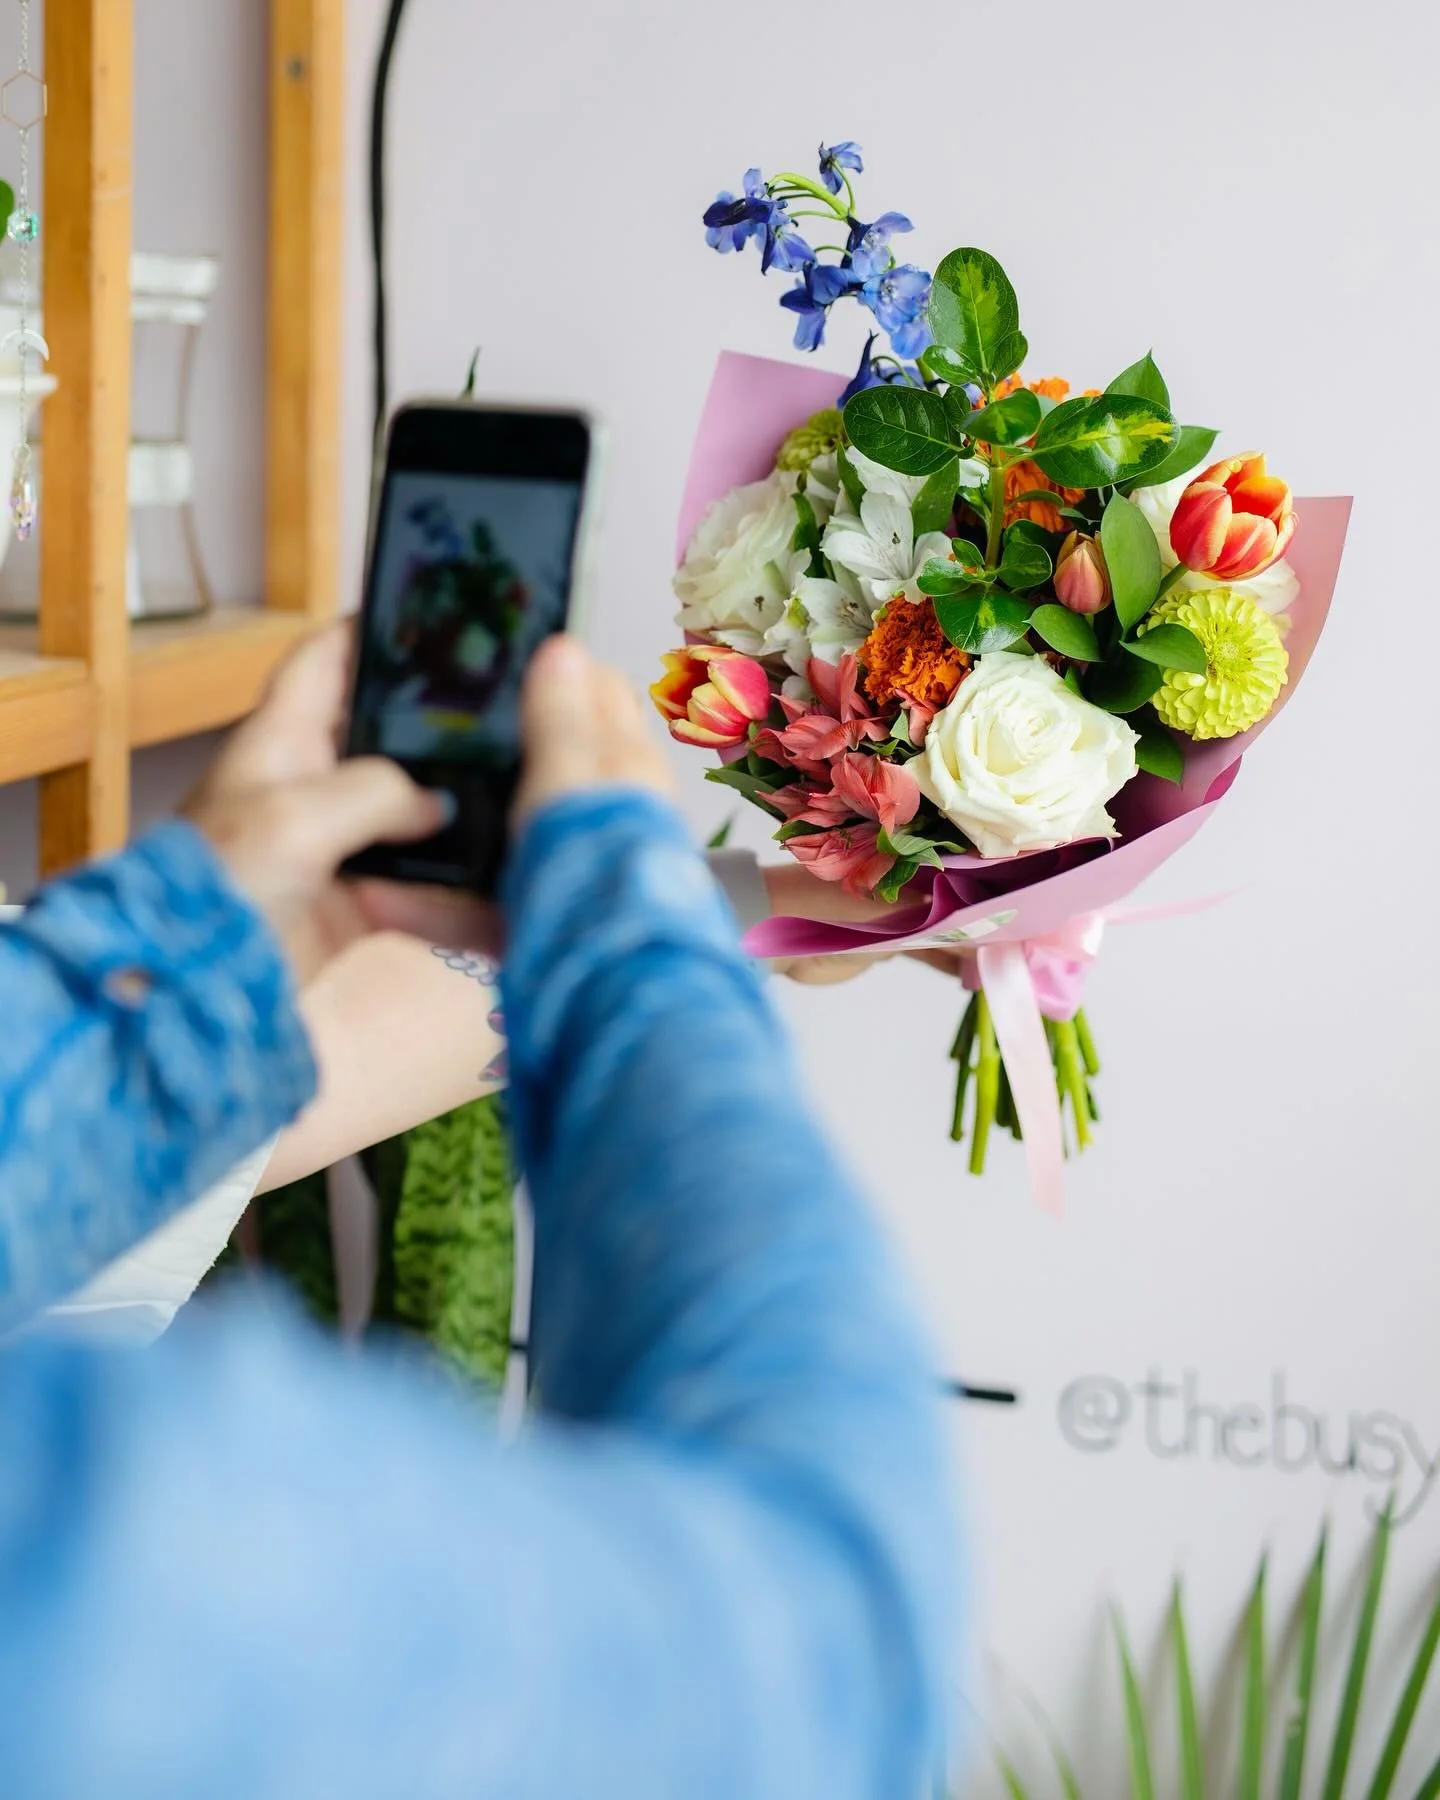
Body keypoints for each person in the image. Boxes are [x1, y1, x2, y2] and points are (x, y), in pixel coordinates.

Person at [0, 630, 959, 1798]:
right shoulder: (108, 1565)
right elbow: (831, 1662)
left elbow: (130, 1104)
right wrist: (658, 938)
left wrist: (778, 906)